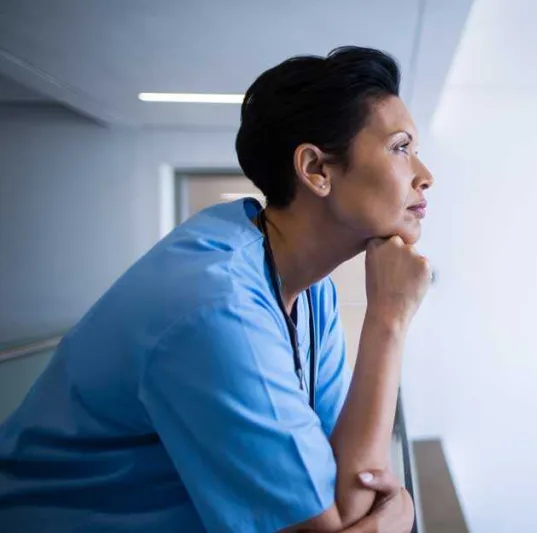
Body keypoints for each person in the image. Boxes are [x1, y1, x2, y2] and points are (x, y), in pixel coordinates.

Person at [0, 46, 433, 532]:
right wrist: (389, 320)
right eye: (401, 148)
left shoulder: (314, 293)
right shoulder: (217, 307)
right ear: (316, 170)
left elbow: (351, 481)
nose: (425, 176)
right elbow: (333, 518)